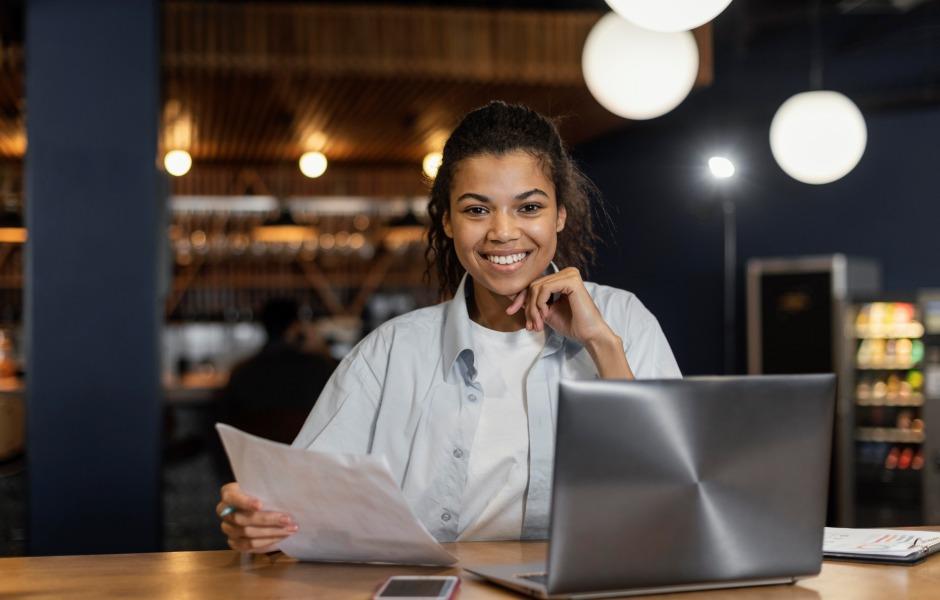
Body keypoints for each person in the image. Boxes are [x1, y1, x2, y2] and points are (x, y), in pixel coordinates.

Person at [216, 101, 681, 552]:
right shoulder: (391, 351)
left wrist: (601, 344)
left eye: (529, 208)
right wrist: (254, 520)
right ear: (448, 221)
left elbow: (674, 492)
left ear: (559, 215)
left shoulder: (623, 322)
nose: (502, 232)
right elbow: (298, 502)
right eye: (477, 210)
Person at [215, 299, 336, 449]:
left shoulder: (241, 372)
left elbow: (224, 423)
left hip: (255, 462)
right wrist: (321, 348)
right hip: (308, 462)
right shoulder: (320, 367)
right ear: (296, 328)